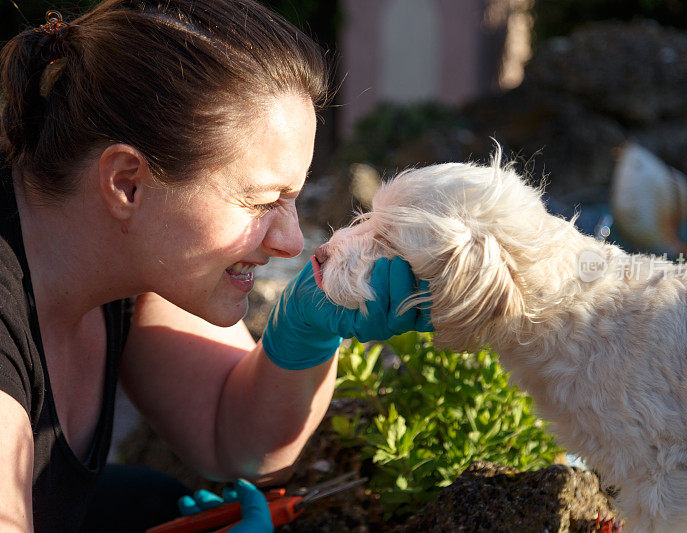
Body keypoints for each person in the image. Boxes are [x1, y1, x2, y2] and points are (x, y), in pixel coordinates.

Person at [0, 2, 431, 531]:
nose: (292, 241)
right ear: (126, 183)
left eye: (293, 199)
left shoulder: (117, 257)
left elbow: (233, 437)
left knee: (146, 502)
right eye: (261, 201)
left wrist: (305, 329)